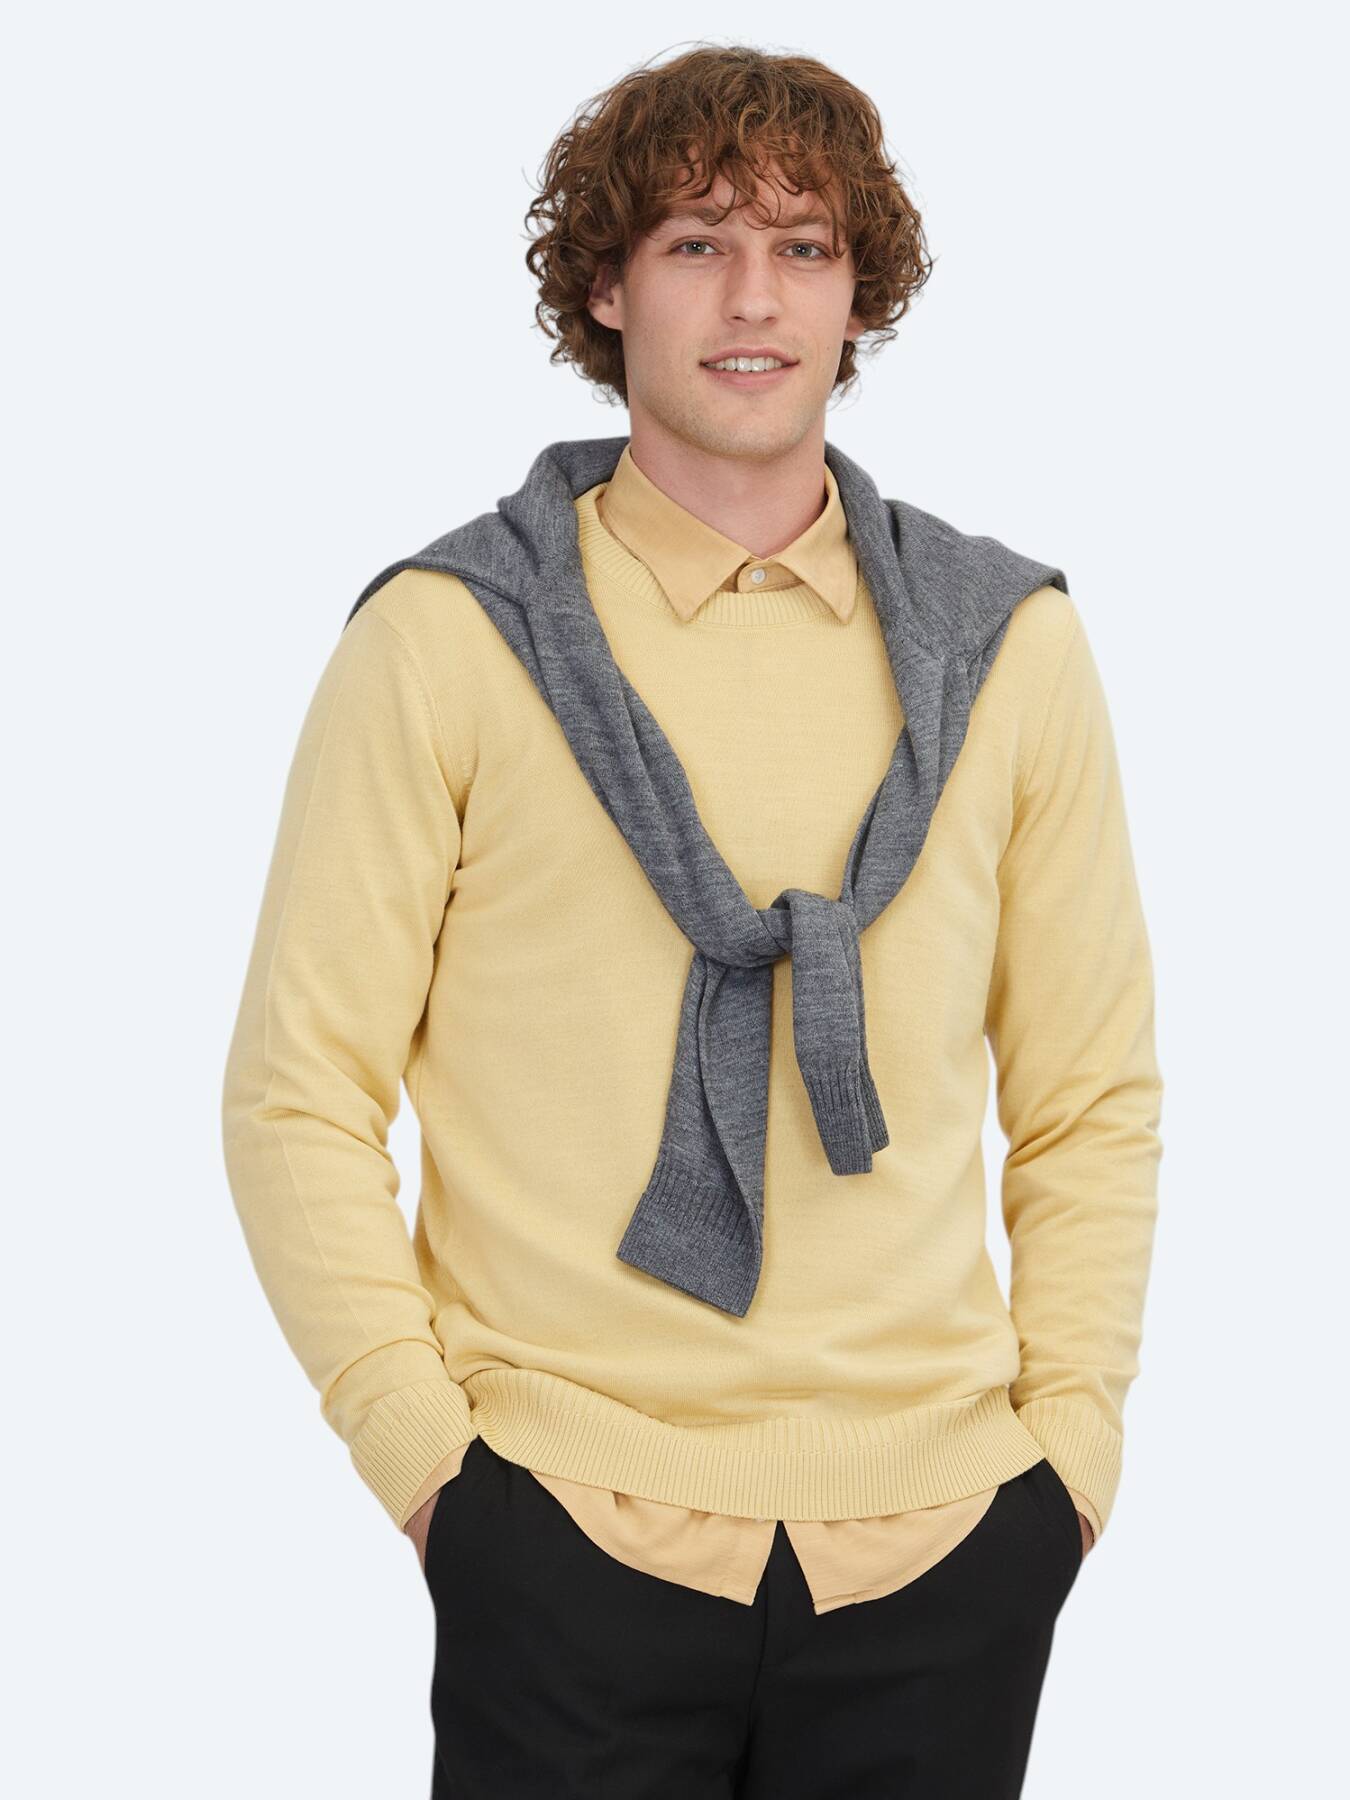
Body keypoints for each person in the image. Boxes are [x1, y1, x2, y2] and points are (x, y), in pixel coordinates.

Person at [221, 41, 1163, 1799]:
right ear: (606, 285)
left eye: (805, 249)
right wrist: (434, 1471)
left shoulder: (1009, 647)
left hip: (945, 1538)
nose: (754, 299)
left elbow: (1089, 1096)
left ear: (857, 294)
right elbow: (299, 1090)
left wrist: (1069, 1461)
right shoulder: (450, 638)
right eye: (696, 244)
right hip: (564, 1520)